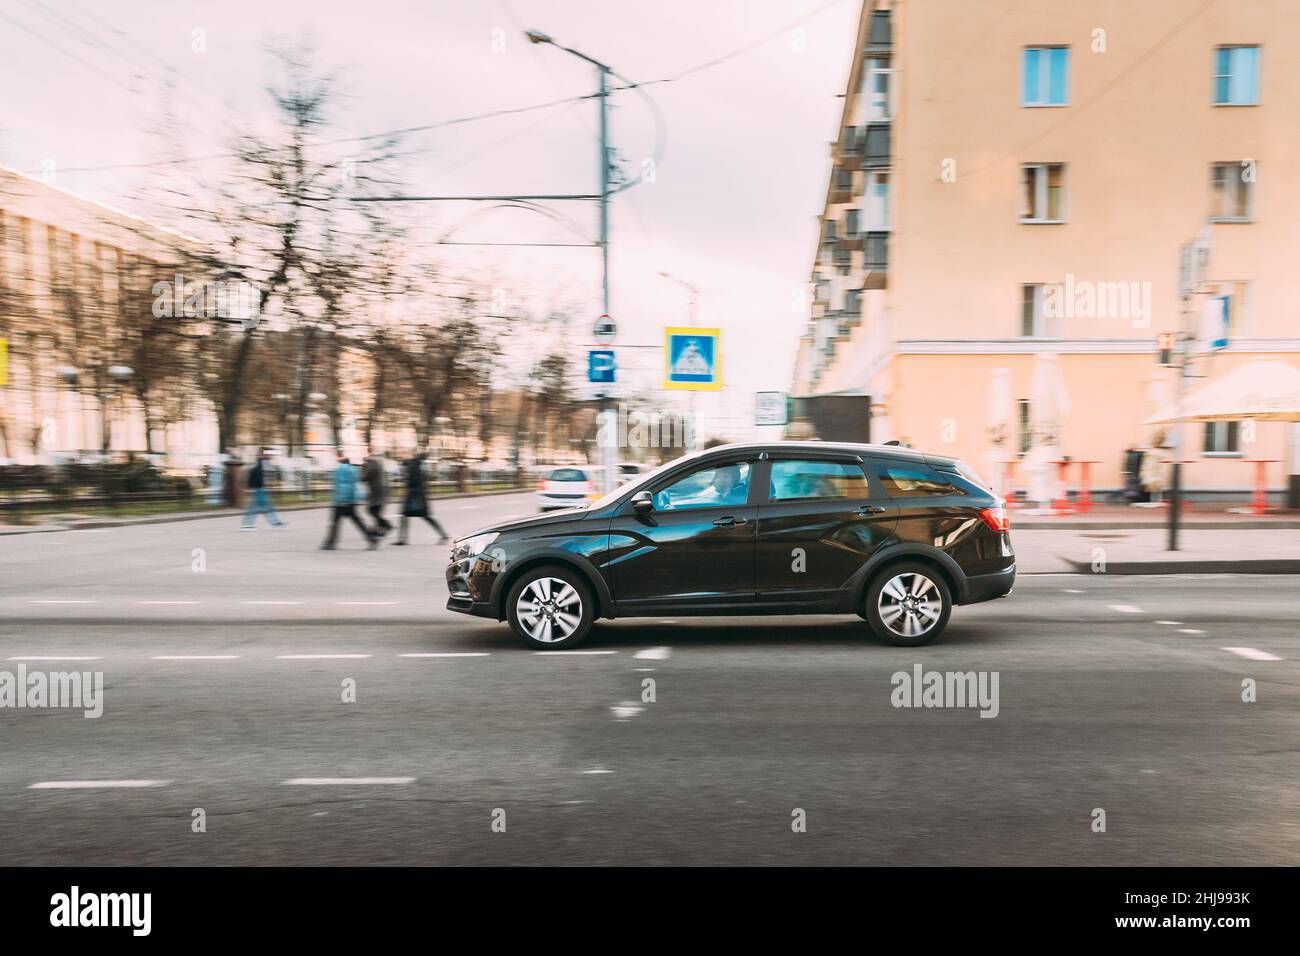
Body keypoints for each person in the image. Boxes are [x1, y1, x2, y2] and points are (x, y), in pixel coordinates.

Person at [322, 453, 378, 550]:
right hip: (350, 501)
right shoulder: (354, 470)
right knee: (358, 522)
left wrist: (335, 499)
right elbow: (355, 485)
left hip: (340, 501)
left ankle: (330, 543)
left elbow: (336, 486)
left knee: (334, 523)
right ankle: (371, 538)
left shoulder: (338, 470)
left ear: (341, 462)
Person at [393, 452, 449, 546]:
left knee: (409, 515)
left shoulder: (415, 466)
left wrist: (407, 482)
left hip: (415, 495)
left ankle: (403, 539)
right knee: (422, 516)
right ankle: (443, 535)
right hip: (419, 495)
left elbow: (413, 481)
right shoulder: (420, 465)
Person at [241, 449, 286, 529]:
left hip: (260, 489)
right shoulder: (260, 464)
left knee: (261, 507)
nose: (270, 456)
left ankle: (275, 523)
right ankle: (247, 525)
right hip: (259, 489)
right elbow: (258, 477)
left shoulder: (260, 464)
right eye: (268, 454)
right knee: (260, 508)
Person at [361, 451, 393, 537]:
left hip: (377, 491)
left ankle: (387, 525)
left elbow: (364, 478)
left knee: (372, 511)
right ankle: (379, 531)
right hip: (381, 491)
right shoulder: (378, 464)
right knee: (376, 511)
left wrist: (362, 469)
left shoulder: (372, 465)